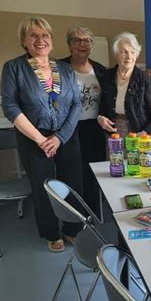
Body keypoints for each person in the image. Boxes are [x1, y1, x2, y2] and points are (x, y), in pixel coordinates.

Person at [0, 17, 83, 252]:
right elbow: (11, 107)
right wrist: (40, 139)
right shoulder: (14, 68)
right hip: (34, 138)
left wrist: (59, 137)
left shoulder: (65, 69)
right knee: (44, 186)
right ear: (24, 41)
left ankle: (72, 229)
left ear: (52, 41)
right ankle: (51, 233)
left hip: (65, 135)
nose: (40, 40)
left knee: (72, 184)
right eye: (33, 35)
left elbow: (76, 103)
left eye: (45, 35)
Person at [60, 25, 106, 213]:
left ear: (91, 45)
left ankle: (93, 214)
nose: (82, 44)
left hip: (94, 128)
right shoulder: (60, 68)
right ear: (70, 45)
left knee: (93, 174)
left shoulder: (101, 70)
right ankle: (73, 218)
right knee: (71, 174)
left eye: (86, 40)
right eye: (77, 40)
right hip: (68, 128)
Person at [98, 32, 151, 138]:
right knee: (115, 156)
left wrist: (145, 132)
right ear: (116, 54)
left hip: (138, 133)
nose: (129, 57)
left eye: (133, 52)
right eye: (124, 52)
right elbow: (103, 107)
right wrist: (100, 118)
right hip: (113, 133)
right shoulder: (107, 76)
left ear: (137, 54)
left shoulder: (145, 80)